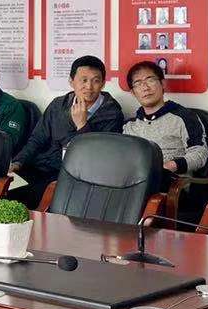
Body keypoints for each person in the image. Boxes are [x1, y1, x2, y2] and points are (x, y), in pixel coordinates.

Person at [7, 55, 123, 207]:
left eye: (95, 81)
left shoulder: (112, 114)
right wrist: (18, 162)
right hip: (41, 168)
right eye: (83, 80)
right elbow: (37, 139)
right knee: (6, 187)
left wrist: (82, 125)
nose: (89, 87)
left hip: (74, 176)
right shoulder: (58, 105)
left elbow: (98, 158)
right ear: (71, 81)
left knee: (38, 199)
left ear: (103, 83)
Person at [121, 61, 208, 175]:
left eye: (150, 80)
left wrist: (168, 167)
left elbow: (200, 153)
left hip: (170, 181)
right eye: (138, 83)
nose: (145, 88)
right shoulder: (129, 126)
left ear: (162, 84)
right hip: (134, 181)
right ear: (133, 92)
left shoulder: (184, 117)